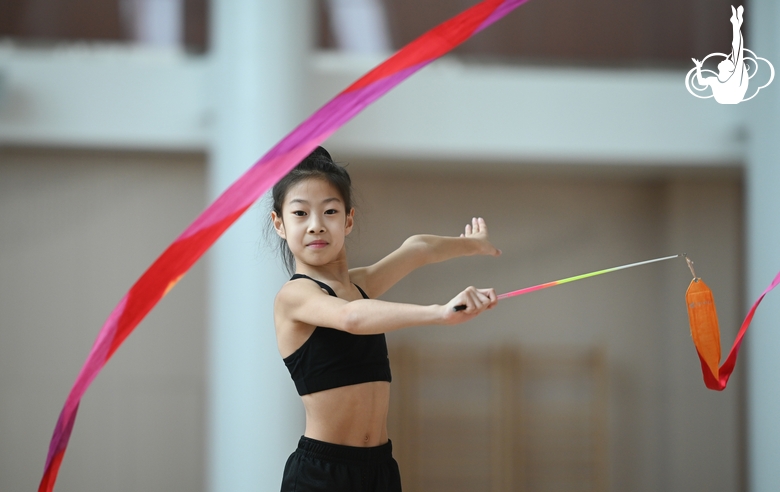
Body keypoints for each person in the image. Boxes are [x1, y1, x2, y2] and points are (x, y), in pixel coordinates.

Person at [271, 146, 501, 491]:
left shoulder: (360, 284)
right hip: (323, 474)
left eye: (329, 211)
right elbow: (350, 317)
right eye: (300, 214)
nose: (316, 226)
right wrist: (438, 313)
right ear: (280, 224)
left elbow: (417, 249)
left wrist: (472, 245)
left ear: (348, 219)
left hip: (379, 470)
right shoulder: (295, 297)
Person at [692, 5, 748, 104]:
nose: (725, 59)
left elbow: (737, 49)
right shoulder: (715, 80)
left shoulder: (734, 78)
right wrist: (698, 67)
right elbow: (701, 82)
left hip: (732, 98)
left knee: (737, 50)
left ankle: (736, 23)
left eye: (727, 61)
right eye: (728, 60)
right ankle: (736, 23)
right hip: (729, 99)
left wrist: (736, 26)